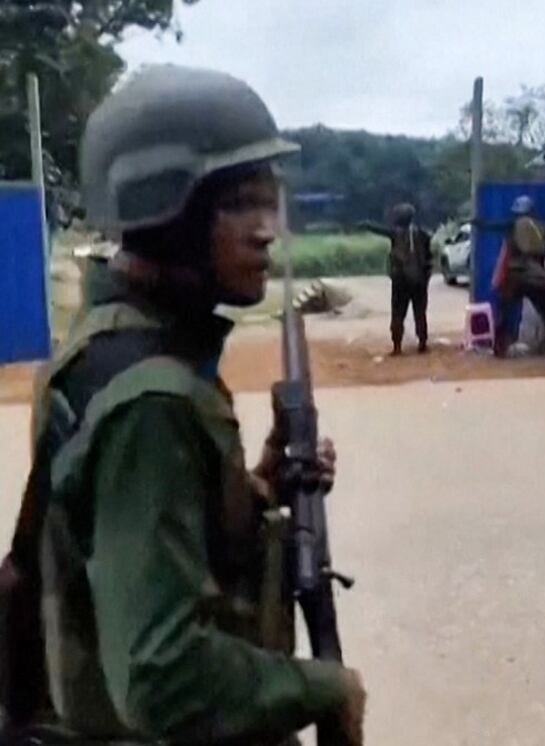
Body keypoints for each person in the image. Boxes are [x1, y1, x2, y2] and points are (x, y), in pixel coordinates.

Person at [3, 65, 365, 745]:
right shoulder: (153, 397)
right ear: (165, 210)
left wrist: (254, 488)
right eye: (239, 204)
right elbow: (162, 675)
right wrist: (324, 687)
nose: (267, 231)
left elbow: (124, 530)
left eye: (269, 204)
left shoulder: (104, 346)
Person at [478, 195, 545, 360]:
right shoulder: (542, 228)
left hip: (514, 277)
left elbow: (494, 226)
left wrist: (479, 223)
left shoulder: (512, 226)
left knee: (504, 313)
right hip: (536, 277)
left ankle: (499, 349)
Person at [359, 203, 433, 355]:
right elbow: (429, 259)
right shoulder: (423, 234)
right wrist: (425, 277)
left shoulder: (395, 233)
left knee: (398, 312)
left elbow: (379, 229)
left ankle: (397, 346)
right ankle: (422, 343)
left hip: (400, 281)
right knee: (420, 312)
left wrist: (366, 224)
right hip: (419, 280)